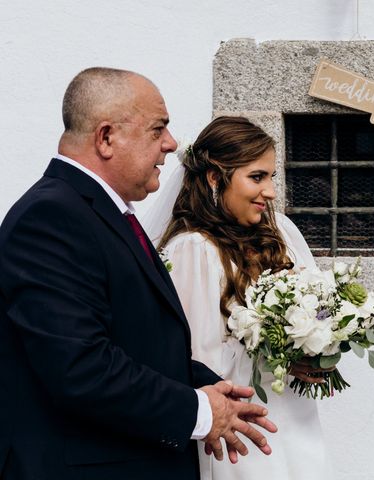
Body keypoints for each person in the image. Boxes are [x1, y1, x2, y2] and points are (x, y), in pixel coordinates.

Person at [0, 68, 276, 480]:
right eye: (158, 129)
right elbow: (80, 368)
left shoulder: (102, 212)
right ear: (106, 137)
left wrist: (211, 389)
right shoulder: (51, 217)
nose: (171, 144)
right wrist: (197, 411)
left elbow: (134, 341)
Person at [146, 116, 331, 479]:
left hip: (294, 417)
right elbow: (195, 361)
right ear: (215, 178)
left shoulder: (282, 234)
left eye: (272, 177)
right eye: (257, 177)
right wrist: (277, 358)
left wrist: (319, 343)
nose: (271, 192)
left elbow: (318, 305)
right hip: (240, 430)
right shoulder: (193, 251)